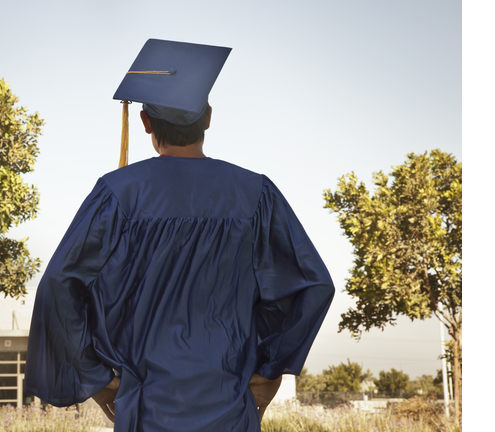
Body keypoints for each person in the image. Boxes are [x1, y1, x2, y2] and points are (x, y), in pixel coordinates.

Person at [24, 39, 334, 432]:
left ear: (145, 123)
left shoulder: (119, 193)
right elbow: (313, 285)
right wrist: (270, 372)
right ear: (208, 118)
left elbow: (59, 285)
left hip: (145, 410)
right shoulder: (256, 194)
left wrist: (99, 380)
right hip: (230, 406)